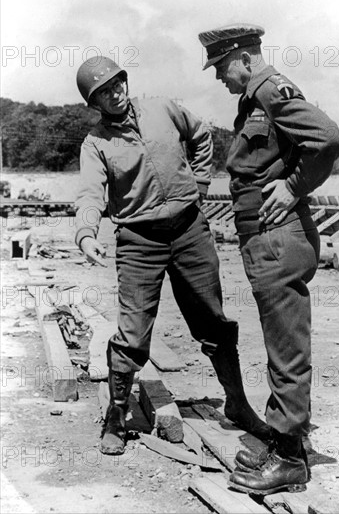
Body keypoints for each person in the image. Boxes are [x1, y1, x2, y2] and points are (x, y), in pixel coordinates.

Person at [75, 56, 272, 455]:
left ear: (125, 80)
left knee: (213, 321)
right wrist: (86, 232)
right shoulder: (96, 143)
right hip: (138, 240)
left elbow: (201, 136)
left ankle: (237, 404)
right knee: (132, 335)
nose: (115, 93)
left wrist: (199, 182)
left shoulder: (164, 107)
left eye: (117, 83)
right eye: (104, 92)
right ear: (94, 103)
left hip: (189, 232)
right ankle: (115, 416)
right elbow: (90, 194)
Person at [198, 24, 339, 495]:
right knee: (280, 345)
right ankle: (283, 441)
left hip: (278, 238)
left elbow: (327, 138)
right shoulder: (254, 99)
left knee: (287, 350)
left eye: (221, 67)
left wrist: (293, 186)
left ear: (242, 58)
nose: (220, 77)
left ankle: (290, 459)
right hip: (265, 239)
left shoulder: (272, 90)